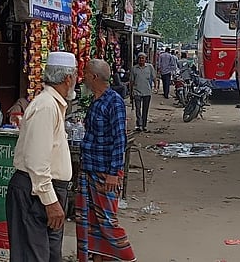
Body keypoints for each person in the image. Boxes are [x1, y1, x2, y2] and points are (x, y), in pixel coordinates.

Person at [9, 51, 78, 262]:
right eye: (75, 75)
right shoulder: (46, 106)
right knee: (34, 255)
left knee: (49, 255)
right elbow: (37, 163)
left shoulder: (53, 104)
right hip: (36, 191)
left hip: (46, 190)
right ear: (68, 78)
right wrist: (50, 202)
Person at [76, 59, 137, 262]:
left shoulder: (114, 102)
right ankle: (100, 257)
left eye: (85, 73)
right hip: (89, 168)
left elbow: (120, 140)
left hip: (104, 171)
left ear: (94, 77)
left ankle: (127, 257)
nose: (82, 77)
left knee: (108, 221)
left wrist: (114, 173)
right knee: (91, 219)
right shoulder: (96, 100)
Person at [130, 52, 156, 132]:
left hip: (147, 91)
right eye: (140, 58)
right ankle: (139, 125)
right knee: (138, 109)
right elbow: (131, 81)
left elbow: (154, 77)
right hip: (137, 91)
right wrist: (131, 92)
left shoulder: (150, 67)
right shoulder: (134, 68)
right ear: (137, 59)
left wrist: (156, 87)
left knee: (145, 109)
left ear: (145, 59)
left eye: (143, 58)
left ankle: (144, 125)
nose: (141, 59)